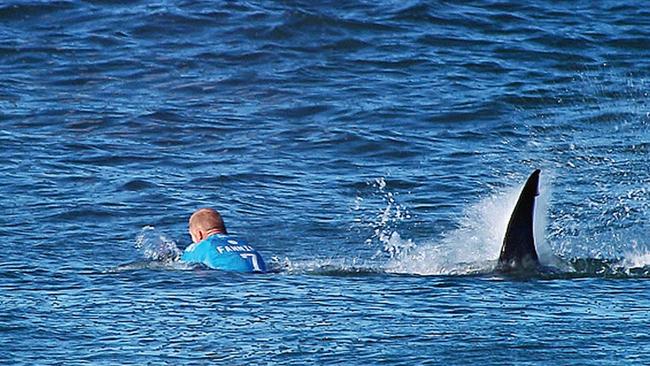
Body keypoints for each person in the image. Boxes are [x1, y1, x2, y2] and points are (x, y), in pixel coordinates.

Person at [181, 208, 267, 273]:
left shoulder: (203, 246)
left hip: (233, 279)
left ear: (199, 234)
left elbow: (182, 265)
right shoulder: (244, 244)